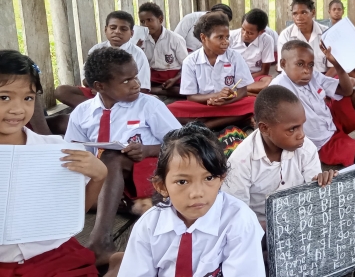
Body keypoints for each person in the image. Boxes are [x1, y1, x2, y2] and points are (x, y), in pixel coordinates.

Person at [63, 47, 181, 266]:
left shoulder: (149, 105)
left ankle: (101, 241)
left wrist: (147, 149)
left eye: (135, 77)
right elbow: (76, 155)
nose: (136, 84)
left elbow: (179, 142)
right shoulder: (82, 113)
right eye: (126, 81)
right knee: (81, 182)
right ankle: (132, 206)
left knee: (112, 156)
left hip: (146, 172)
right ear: (100, 86)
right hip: (108, 182)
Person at [0, 50, 109, 277]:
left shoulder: (53, 150)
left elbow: (69, 216)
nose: (18, 109)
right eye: (4, 97)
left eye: (28, 98)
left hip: (52, 255)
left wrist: (99, 177)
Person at [117, 125, 265, 277]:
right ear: (162, 186)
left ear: (221, 178)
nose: (197, 193)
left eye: (209, 178)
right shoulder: (148, 226)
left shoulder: (239, 221)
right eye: (182, 181)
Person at [223, 86, 337, 228]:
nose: (301, 134)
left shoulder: (306, 148)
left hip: (298, 220)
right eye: (292, 129)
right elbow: (238, 217)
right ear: (264, 128)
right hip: (259, 227)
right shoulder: (240, 162)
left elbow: (314, 199)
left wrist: (323, 182)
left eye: (302, 126)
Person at [271, 40, 355, 166]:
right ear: (283, 63)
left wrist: (338, 66)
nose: (306, 70)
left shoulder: (313, 76)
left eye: (310, 65)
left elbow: (347, 91)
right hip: (322, 141)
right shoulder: (277, 89)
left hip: (331, 121)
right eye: (300, 64)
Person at [167, 12, 255, 130]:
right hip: (203, 105)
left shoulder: (235, 57)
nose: (226, 42)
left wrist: (227, 101)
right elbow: (191, 97)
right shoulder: (190, 61)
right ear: (203, 37)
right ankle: (235, 120)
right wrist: (216, 95)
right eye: (220, 37)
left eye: (227, 37)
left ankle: (205, 126)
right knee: (170, 110)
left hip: (230, 104)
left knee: (253, 103)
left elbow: (243, 90)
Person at [55, 11, 151, 108]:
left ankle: (107, 110)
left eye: (123, 29)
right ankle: (97, 109)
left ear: (131, 33)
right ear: (106, 29)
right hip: (98, 93)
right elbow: (86, 79)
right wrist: (97, 88)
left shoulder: (138, 54)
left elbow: (143, 89)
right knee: (62, 91)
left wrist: (110, 91)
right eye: (113, 28)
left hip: (124, 96)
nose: (117, 31)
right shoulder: (97, 49)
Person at [137, 2, 188, 97]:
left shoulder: (175, 39)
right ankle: (156, 90)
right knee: (136, 87)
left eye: (149, 20)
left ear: (160, 19)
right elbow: (138, 65)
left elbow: (187, 65)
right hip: (153, 78)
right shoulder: (141, 40)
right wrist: (137, 49)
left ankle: (153, 91)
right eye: (142, 22)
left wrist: (174, 79)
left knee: (183, 90)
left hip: (174, 77)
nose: (146, 24)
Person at [277, 0, 329, 73]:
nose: (299, 18)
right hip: (296, 79)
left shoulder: (326, 33)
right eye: (295, 14)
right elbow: (283, 68)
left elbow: (334, 66)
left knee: (351, 81)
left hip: (323, 77)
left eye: (304, 12)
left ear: (313, 13)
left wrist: (320, 84)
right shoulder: (286, 35)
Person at [230, 9, 275, 95]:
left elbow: (264, 71)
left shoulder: (267, 40)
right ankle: (245, 92)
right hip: (231, 77)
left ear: (261, 32)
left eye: (250, 33)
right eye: (243, 29)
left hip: (254, 77)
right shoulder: (230, 36)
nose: (244, 34)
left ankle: (238, 91)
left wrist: (244, 80)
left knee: (269, 82)